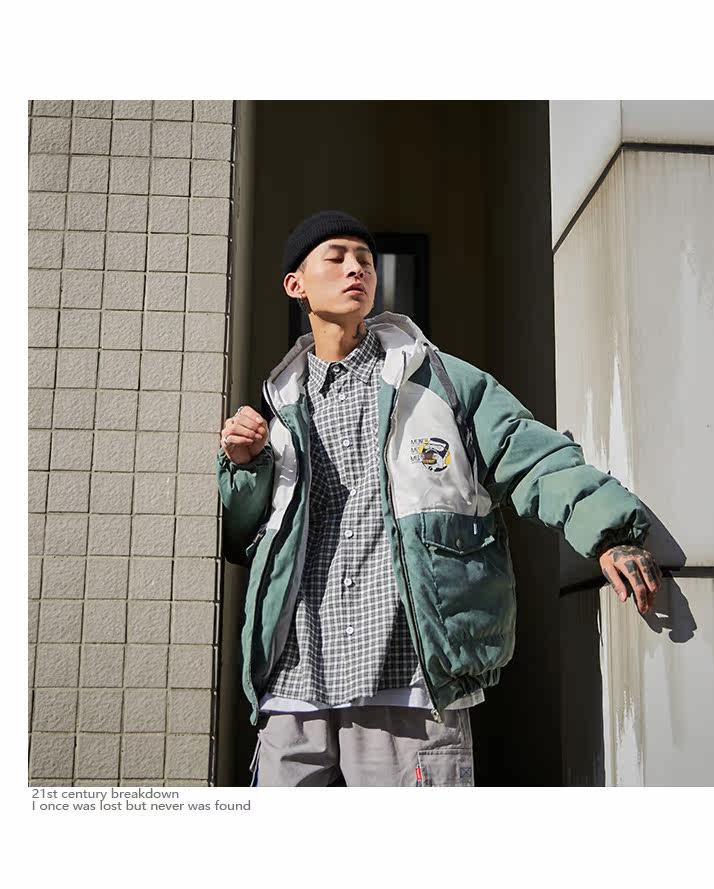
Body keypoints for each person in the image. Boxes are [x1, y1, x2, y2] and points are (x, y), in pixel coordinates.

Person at [215, 210, 662, 787]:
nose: (356, 269)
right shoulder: (278, 405)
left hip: (408, 674)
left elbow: (529, 455)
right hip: (296, 678)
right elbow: (245, 537)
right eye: (337, 257)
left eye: (366, 260)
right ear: (295, 285)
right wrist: (244, 467)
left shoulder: (441, 381)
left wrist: (610, 535)